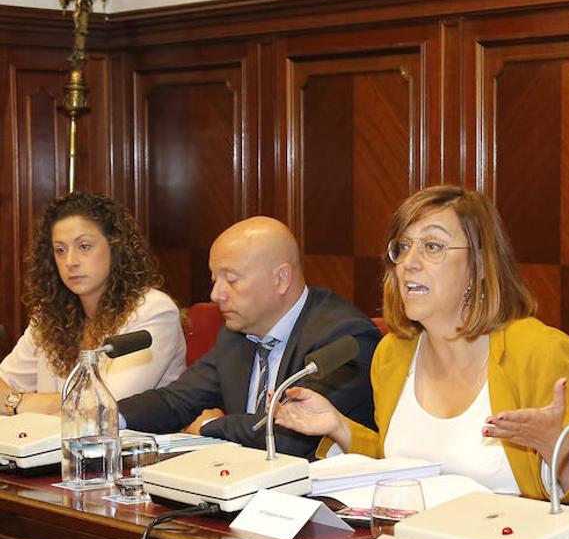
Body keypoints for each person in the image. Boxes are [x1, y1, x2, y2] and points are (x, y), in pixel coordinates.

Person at [275, 185, 569, 504]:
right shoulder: (393, 353)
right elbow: (410, 468)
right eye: (403, 247)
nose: (409, 264)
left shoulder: (540, 351)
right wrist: (339, 427)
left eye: (432, 247)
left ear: (478, 266)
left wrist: (558, 448)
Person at [117, 217, 378, 459]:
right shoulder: (238, 334)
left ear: (281, 278)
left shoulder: (344, 337)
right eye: (214, 279)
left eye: (231, 280)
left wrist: (208, 426)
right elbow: (176, 400)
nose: (216, 294)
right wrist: (110, 416)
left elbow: (287, 434)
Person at [0, 192, 185, 415]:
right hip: (52, 446)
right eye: (60, 250)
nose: (71, 262)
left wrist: (16, 402)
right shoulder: (49, 317)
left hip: (136, 446)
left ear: (116, 247)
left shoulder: (153, 310)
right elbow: (4, 382)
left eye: (84, 246)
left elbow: (103, 406)